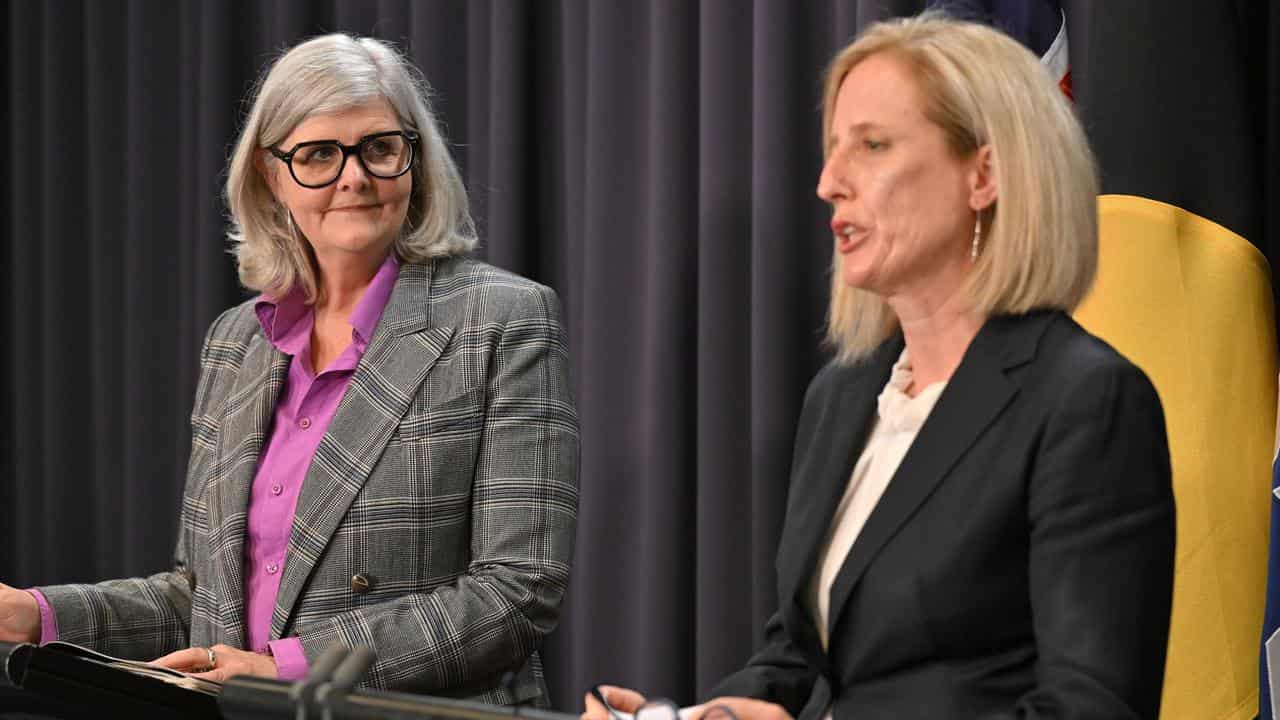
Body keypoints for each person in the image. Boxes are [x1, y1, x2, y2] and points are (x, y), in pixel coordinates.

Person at [585, 13, 1174, 720]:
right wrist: (719, 714)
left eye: (872, 146)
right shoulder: (842, 396)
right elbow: (802, 655)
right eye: (833, 150)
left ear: (984, 173)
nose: (830, 183)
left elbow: (1091, 708)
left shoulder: (1086, 401)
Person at [0, 33, 578, 706]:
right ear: (272, 177)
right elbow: (202, 596)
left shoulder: (503, 319)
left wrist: (288, 669)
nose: (354, 177)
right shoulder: (236, 343)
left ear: (414, 162)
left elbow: (516, 590)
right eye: (319, 155)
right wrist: (35, 616)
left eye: (380, 148)